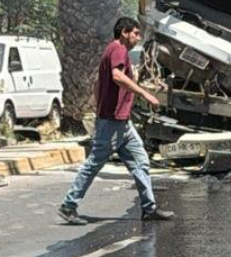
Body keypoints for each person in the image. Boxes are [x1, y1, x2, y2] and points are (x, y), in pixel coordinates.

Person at [58, 17, 174, 224]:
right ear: (124, 33)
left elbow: (97, 84)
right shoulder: (118, 49)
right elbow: (117, 76)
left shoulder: (113, 51)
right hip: (112, 123)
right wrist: (145, 95)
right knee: (93, 164)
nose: (138, 38)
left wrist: (101, 104)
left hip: (122, 123)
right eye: (136, 33)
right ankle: (69, 205)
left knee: (141, 162)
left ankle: (149, 208)